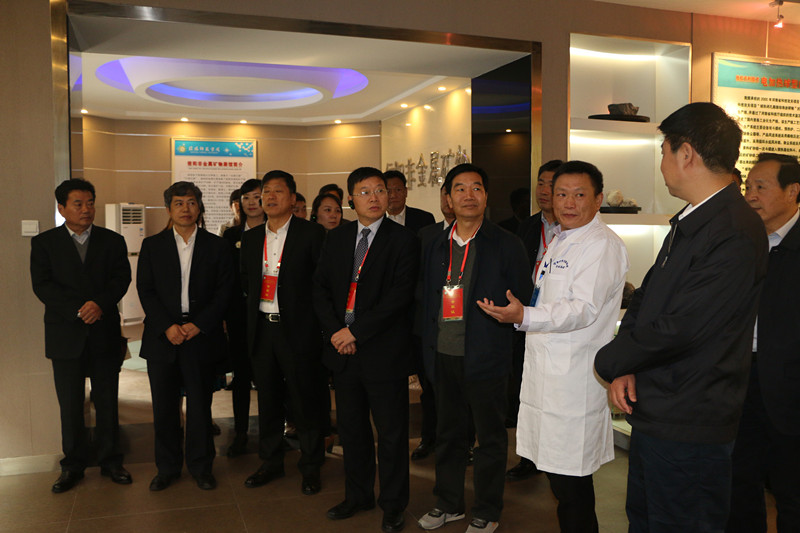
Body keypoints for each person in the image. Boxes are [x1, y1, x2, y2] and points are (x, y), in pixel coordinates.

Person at [594, 102, 768, 532]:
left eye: (664, 151)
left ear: (686, 153)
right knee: (645, 519)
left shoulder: (734, 229)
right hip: (660, 406)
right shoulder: (694, 219)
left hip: (692, 417)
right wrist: (627, 364)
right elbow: (648, 298)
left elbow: (683, 327)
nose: (662, 163)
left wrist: (610, 360)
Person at [478, 161, 629, 532]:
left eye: (579, 195)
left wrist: (524, 316)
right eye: (561, 194)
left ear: (598, 200)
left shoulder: (600, 245)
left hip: (573, 380)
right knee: (561, 482)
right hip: (549, 376)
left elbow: (583, 308)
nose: (569, 203)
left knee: (572, 484)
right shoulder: (563, 238)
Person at [418, 164, 532, 533]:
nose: (469, 195)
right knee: (448, 435)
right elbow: (423, 299)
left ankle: (487, 509)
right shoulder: (432, 243)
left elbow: (523, 299)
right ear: (447, 199)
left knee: (490, 438)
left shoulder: (506, 243)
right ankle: (448, 502)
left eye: (477, 188)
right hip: (443, 354)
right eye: (460, 188)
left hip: (487, 357)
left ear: (486, 196)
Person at [313, 167, 419, 533]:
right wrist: (336, 332)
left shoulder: (404, 240)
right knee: (352, 430)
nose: (374, 198)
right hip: (343, 353)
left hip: (383, 353)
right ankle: (357, 495)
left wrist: (354, 332)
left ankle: (393, 504)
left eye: (380, 191)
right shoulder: (337, 238)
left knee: (391, 434)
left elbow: (399, 297)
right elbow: (320, 289)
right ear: (350, 199)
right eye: (364, 192)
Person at [30, 178, 132, 493]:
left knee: (107, 401)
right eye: (78, 204)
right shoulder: (44, 243)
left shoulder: (112, 241)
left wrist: (99, 304)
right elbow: (42, 285)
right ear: (62, 208)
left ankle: (111, 461)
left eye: (90, 203)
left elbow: (121, 278)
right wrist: (78, 309)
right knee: (70, 404)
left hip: (103, 332)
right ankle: (73, 466)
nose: (86, 209)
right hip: (65, 334)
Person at [137, 181, 234, 492]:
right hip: (163, 336)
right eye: (178, 203)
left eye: (191, 202)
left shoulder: (217, 246)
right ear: (169, 209)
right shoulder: (152, 246)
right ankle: (167, 468)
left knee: (200, 407)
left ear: (199, 207)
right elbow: (146, 290)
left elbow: (225, 292)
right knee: (164, 408)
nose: (185, 209)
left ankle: (201, 467)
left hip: (201, 337)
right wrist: (167, 326)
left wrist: (199, 325)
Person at [240, 170, 329, 496]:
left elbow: (322, 283)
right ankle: (271, 461)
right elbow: (246, 282)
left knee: (304, 399)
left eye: (278, 191)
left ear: (293, 198)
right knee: (267, 399)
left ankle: (311, 465)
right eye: (266, 192)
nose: (270, 197)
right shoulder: (252, 239)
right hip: (263, 329)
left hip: (299, 331)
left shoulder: (312, 233)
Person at [726, 152, 800, 533]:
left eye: (761, 187)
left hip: (789, 389)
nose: (750, 195)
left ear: (793, 191)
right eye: (748, 187)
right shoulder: (743, 242)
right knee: (739, 483)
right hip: (741, 381)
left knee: (792, 491)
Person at [506, 159, 563, 481]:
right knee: (525, 390)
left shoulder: (573, 229)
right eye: (540, 182)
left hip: (560, 322)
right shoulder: (526, 227)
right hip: (525, 320)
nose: (544, 190)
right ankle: (528, 457)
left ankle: (553, 456)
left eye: (551, 184)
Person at [411, 184, 457, 462]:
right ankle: (428, 439)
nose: (448, 200)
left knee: (459, 390)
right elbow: (414, 278)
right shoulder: (426, 234)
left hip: (460, 328)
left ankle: (463, 443)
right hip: (427, 324)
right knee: (428, 389)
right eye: (445, 194)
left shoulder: (480, 236)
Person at [221, 178, 265, 457]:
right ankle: (240, 432)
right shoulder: (231, 235)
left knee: (270, 376)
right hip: (239, 316)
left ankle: (274, 430)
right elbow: (225, 278)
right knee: (241, 376)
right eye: (246, 197)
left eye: (257, 196)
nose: (251, 202)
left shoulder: (276, 231)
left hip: (269, 315)